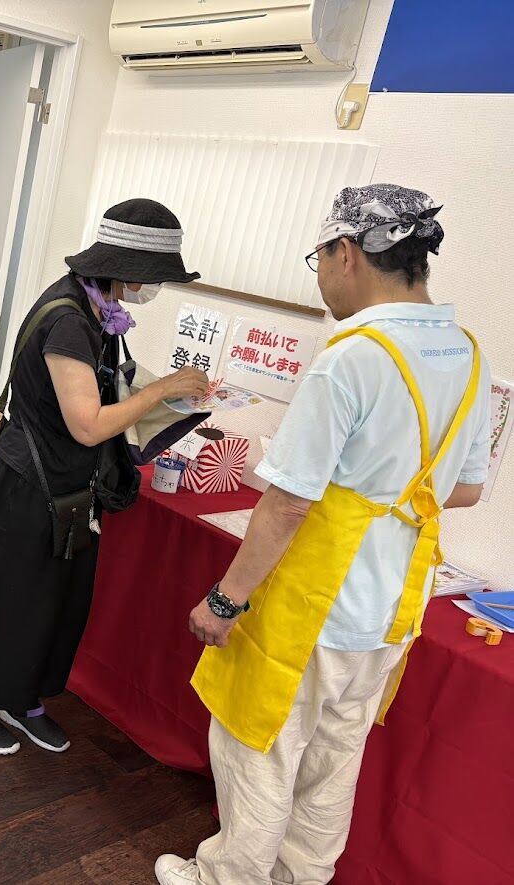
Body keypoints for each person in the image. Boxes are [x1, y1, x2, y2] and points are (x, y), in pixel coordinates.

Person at [156, 185, 492, 885]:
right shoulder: (467, 351)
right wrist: (386, 492)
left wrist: (225, 599)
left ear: (347, 252)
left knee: (258, 745)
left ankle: (226, 879)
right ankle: (300, 876)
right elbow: (465, 489)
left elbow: (286, 505)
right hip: (395, 603)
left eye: (319, 258)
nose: (320, 276)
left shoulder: (353, 355)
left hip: (316, 601)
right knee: (336, 756)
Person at [0, 199, 210, 756]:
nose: (153, 289)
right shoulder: (67, 320)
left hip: (68, 487)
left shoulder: (96, 309)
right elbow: (88, 426)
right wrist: (164, 389)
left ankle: (20, 697)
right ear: (127, 269)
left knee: (53, 603)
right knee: (9, 597)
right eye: (154, 277)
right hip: (31, 484)